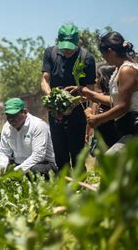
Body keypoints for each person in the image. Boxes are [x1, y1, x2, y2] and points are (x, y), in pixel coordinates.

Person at [68, 31, 138, 154]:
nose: (103, 58)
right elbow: (115, 101)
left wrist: (98, 119)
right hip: (132, 128)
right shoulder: (121, 69)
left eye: (103, 54)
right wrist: (85, 91)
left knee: (110, 161)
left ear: (110, 51)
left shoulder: (127, 70)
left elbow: (123, 106)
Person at [41, 23, 96, 170]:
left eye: (70, 48)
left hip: (77, 112)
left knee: (77, 153)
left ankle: (80, 186)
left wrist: (73, 103)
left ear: (77, 42)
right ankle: (64, 186)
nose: (66, 51)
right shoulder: (50, 53)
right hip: (55, 112)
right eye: (63, 48)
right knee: (59, 152)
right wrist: (52, 96)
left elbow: (90, 90)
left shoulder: (87, 58)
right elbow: (45, 80)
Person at [0, 98, 58, 178]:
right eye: (8, 116)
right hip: (19, 165)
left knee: (35, 170)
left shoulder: (38, 125)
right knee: (4, 169)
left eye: (14, 115)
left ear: (25, 112)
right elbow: (4, 152)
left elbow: (38, 156)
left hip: (42, 164)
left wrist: (18, 171)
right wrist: (1, 169)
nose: (11, 119)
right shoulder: (7, 127)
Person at [86, 65, 119, 149]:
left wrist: (88, 114)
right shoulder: (99, 99)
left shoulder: (114, 99)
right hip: (101, 141)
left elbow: (98, 120)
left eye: (98, 77)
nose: (96, 80)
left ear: (105, 78)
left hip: (112, 141)